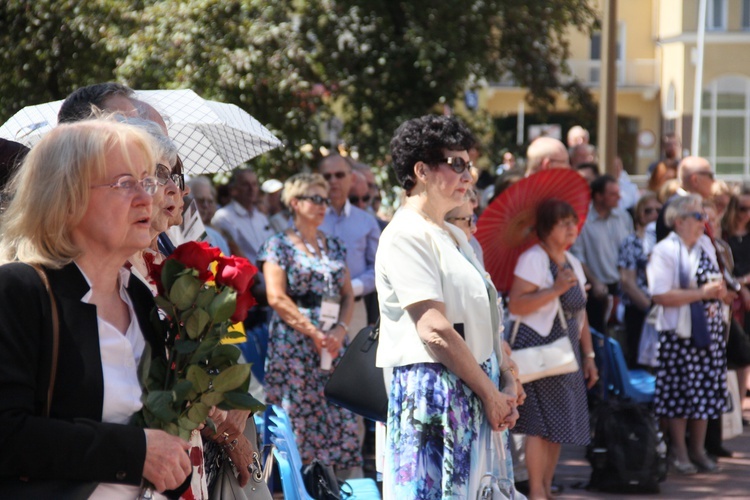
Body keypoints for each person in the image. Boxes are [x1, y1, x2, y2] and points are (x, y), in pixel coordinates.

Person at [0, 120, 192, 497]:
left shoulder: (139, 296)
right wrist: (135, 452)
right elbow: (6, 434)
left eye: (147, 181)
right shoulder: (20, 290)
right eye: (125, 184)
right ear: (67, 198)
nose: (146, 198)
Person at [376, 115, 520, 499]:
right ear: (421, 170)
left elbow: (485, 318)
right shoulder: (406, 233)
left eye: (468, 164)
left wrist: (506, 379)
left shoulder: (453, 234)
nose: (468, 175)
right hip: (435, 394)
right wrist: (491, 393)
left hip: (473, 386)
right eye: (456, 164)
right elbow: (434, 328)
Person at [258, 173, 363, 477]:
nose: (322, 206)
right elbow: (276, 297)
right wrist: (314, 332)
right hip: (295, 345)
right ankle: (298, 487)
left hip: (331, 341)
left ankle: (332, 485)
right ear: (295, 202)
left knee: (336, 414)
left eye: (325, 200)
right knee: (297, 420)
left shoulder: (333, 245)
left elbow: (347, 294)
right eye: (315, 199)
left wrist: (340, 330)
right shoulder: (278, 245)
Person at [508, 199, 598, 500]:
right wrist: (556, 289)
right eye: (565, 223)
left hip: (565, 351)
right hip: (538, 348)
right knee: (538, 426)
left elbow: (581, 315)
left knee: (559, 425)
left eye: (573, 222)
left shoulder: (570, 261)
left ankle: (546, 489)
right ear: (547, 228)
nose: (573, 228)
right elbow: (517, 304)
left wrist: (588, 356)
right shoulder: (533, 258)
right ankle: (536, 491)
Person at [647, 194, 728, 475]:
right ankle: (679, 451)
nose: (703, 221)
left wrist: (721, 294)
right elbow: (659, 295)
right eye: (697, 216)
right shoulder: (665, 250)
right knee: (679, 395)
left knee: (704, 393)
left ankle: (698, 450)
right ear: (679, 221)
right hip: (679, 335)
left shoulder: (706, 245)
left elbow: (719, 285)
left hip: (709, 333)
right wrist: (701, 294)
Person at [318, 154, 381, 339]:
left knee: (352, 367)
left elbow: (379, 269)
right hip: (315, 307)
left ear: (351, 178)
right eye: (327, 176)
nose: (333, 181)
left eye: (339, 175)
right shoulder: (307, 217)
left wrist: (351, 288)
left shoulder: (366, 221)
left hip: (355, 308)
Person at [571, 174, 634, 334]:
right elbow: (578, 257)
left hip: (624, 288)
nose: (619, 197)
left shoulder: (623, 217)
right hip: (597, 290)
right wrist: (595, 282)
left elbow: (631, 250)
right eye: (612, 194)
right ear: (598, 196)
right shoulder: (583, 220)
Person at [618, 192, 662, 367]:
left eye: (658, 210)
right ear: (639, 215)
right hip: (639, 310)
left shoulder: (667, 241)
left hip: (666, 308)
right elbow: (627, 282)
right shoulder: (631, 241)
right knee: (639, 361)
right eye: (648, 210)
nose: (654, 214)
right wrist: (650, 309)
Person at [188, 176, 233, 257]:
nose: (206, 206)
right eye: (200, 200)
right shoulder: (175, 232)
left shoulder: (216, 236)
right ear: (187, 200)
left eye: (210, 201)